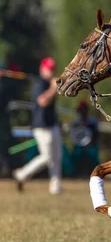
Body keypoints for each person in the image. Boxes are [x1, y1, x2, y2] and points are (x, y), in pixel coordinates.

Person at [14, 57, 63, 194]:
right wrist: (54, 88)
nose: (51, 71)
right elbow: (42, 101)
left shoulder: (47, 82)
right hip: (42, 126)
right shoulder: (39, 84)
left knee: (56, 158)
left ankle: (56, 187)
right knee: (46, 157)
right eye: (49, 69)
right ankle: (22, 174)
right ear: (42, 69)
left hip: (52, 124)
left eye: (53, 69)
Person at [70, 101, 100, 176]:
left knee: (93, 154)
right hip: (79, 145)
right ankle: (73, 173)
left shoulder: (93, 121)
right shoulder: (75, 122)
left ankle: (97, 172)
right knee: (76, 155)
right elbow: (73, 136)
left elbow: (96, 135)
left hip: (91, 145)